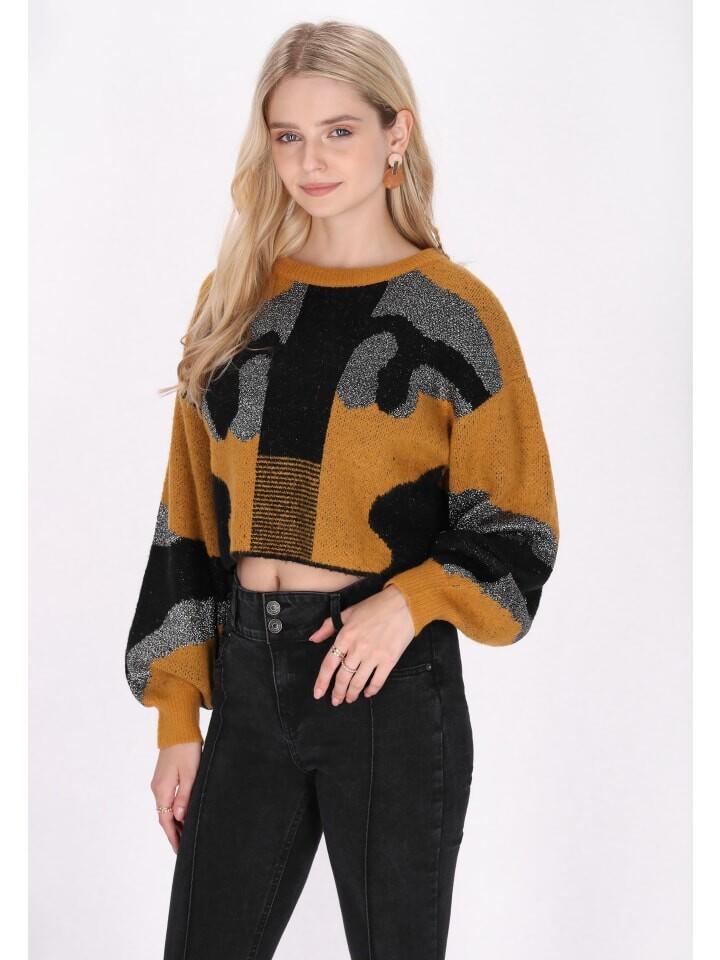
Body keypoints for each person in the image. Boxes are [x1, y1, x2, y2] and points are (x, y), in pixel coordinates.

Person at [124, 18, 560, 960]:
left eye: (339, 132)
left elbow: (518, 525)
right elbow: (187, 518)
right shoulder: (237, 299)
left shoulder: (457, 314)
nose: (310, 161)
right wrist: (176, 720)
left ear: (396, 133)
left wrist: (411, 601)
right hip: (248, 683)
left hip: (389, 691)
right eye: (288, 135)